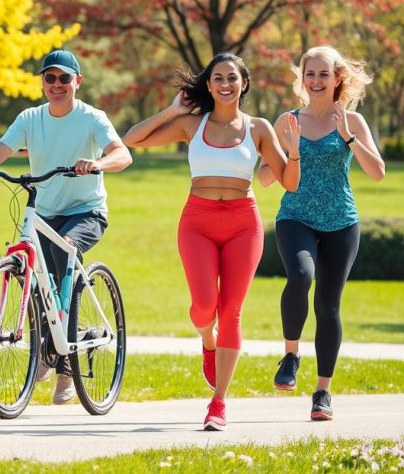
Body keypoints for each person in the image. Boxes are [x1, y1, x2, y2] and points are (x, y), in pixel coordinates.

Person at [123, 52, 301, 431]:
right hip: (198, 222)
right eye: (218, 77)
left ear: (244, 84)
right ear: (208, 84)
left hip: (242, 224)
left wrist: (295, 149)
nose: (225, 84)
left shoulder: (258, 128)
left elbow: (288, 181)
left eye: (232, 78)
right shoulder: (192, 124)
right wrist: (172, 111)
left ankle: (218, 403)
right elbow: (131, 139)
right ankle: (208, 340)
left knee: (231, 310)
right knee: (205, 307)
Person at [0, 49, 132, 404]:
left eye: (64, 78)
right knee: (37, 278)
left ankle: (66, 369)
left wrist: (98, 163)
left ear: (77, 82)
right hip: (44, 212)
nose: (57, 85)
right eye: (50, 78)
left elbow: (123, 154)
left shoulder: (91, 118)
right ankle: (45, 346)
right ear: (42, 83)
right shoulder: (30, 118)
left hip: (85, 213)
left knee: (63, 254)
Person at [259, 46, 385, 421]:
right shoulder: (287, 121)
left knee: (328, 305)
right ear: (303, 78)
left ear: (337, 79)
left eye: (323, 74)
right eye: (309, 74)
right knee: (300, 276)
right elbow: (266, 179)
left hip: (342, 222)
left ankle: (322, 393)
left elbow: (377, 172)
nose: (315, 81)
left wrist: (348, 136)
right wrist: (287, 150)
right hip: (295, 215)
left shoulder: (352, 120)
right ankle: (291, 354)